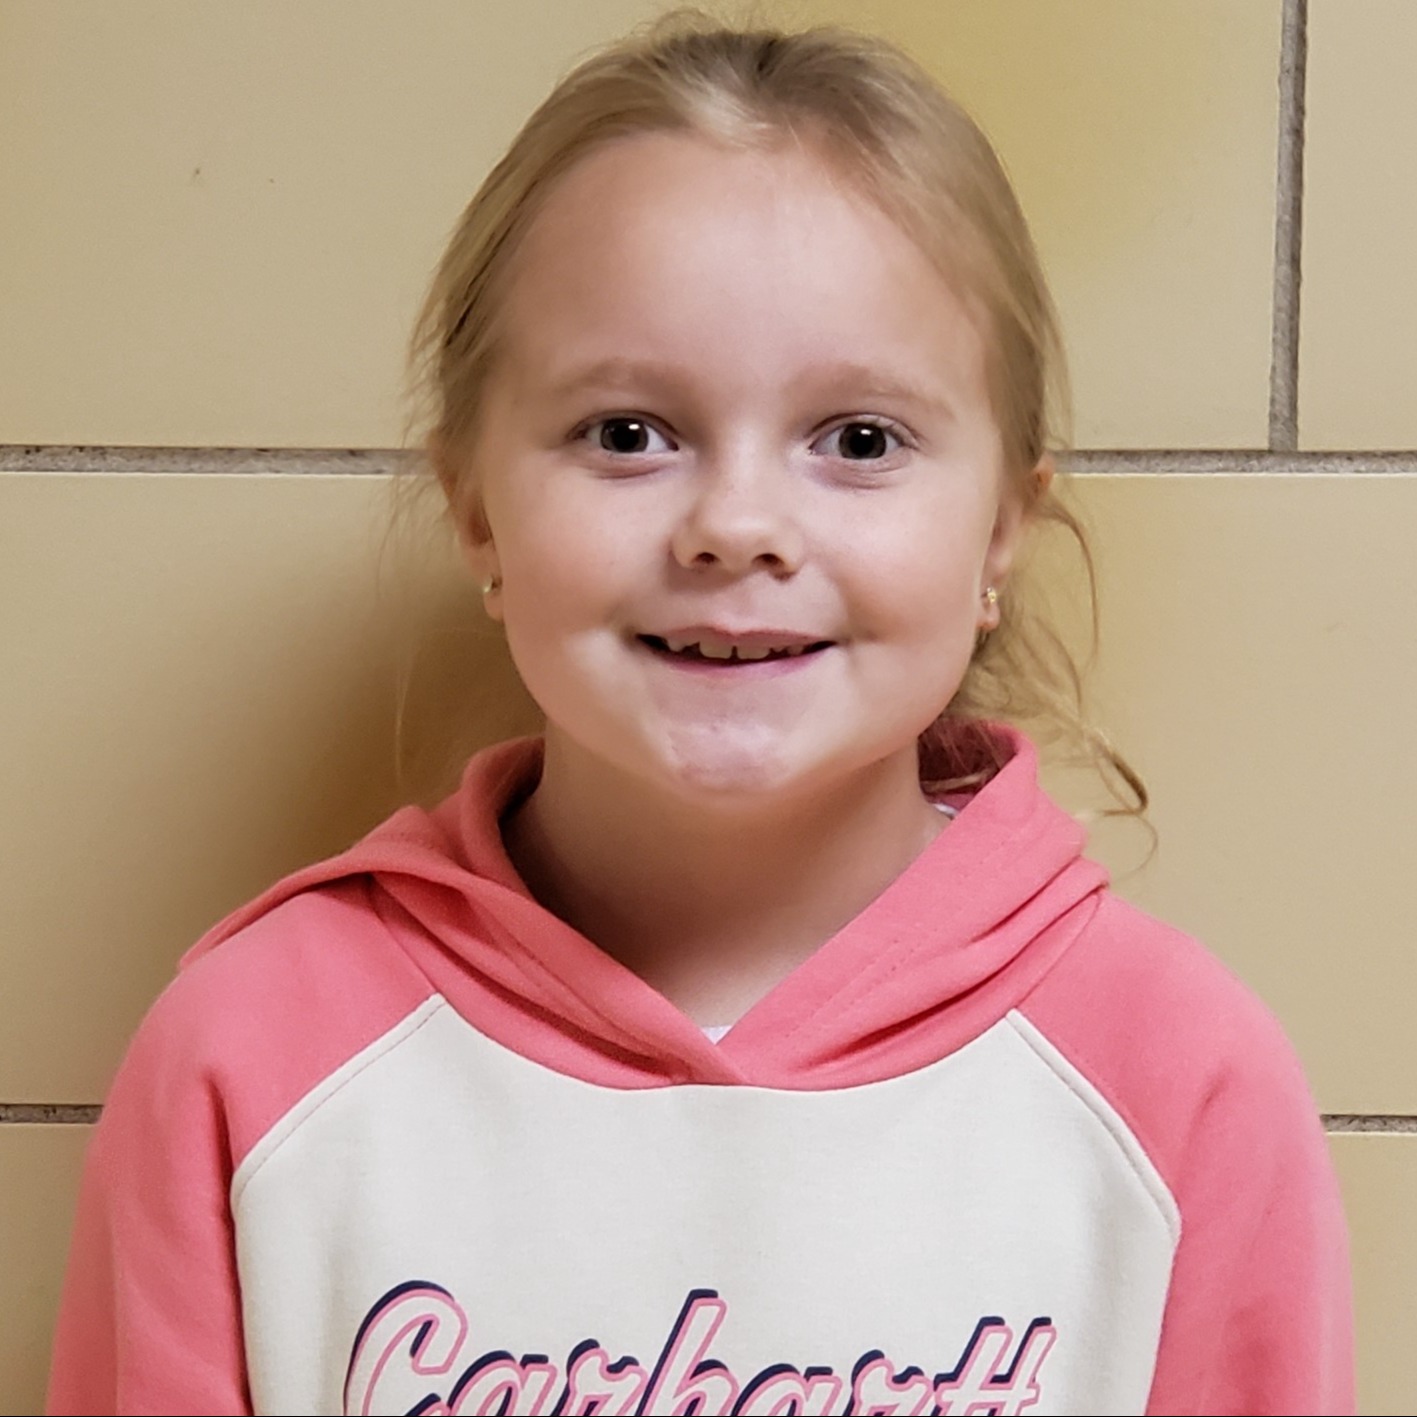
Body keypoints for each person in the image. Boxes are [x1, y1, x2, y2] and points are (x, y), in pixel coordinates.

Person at [47, 13, 1353, 1417]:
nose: (736, 525)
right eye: (626, 432)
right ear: (479, 511)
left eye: (858, 439)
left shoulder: (1183, 1086)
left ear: (997, 535)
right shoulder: (246, 1060)